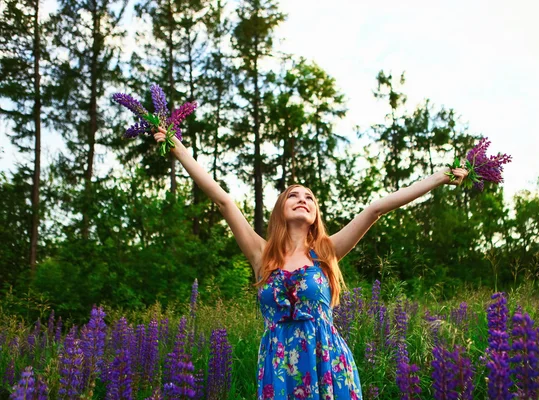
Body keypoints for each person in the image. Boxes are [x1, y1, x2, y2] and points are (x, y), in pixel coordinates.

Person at [153, 127, 468, 399]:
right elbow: (223, 200)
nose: (302, 199)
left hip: (325, 360)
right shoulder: (261, 255)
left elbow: (375, 209)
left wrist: (441, 177)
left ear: (316, 213)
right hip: (278, 364)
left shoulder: (326, 252)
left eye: (310, 197)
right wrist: (176, 146)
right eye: (293, 195)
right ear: (281, 210)